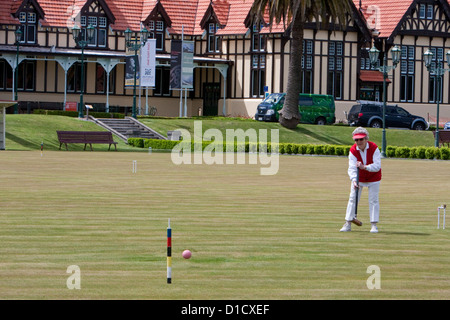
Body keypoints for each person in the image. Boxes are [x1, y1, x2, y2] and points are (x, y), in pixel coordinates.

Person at [340, 127, 381, 233]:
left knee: (373, 200)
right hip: (359, 178)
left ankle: (374, 225)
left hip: (374, 177)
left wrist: (365, 167)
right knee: (352, 198)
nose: (359, 142)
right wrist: (354, 180)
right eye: (356, 140)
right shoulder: (353, 150)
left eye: (361, 139)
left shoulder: (374, 148)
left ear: (366, 139)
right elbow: (352, 168)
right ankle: (348, 223)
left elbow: (377, 166)